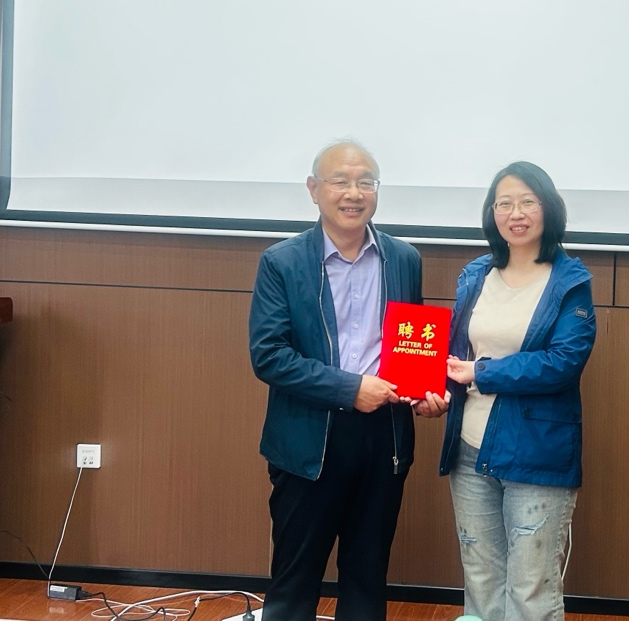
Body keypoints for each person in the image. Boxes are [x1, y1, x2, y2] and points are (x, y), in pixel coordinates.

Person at [249, 140, 422, 621]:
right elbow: (269, 356)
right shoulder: (282, 262)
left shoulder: (403, 258)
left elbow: (411, 348)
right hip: (309, 440)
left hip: (384, 437)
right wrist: (349, 389)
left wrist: (424, 391)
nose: (354, 193)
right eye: (340, 181)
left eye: (366, 182)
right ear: (313, 189)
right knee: (293, 583)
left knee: (367, 578)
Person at [414, 161, 596, 621]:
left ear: (548, 209)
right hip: (470, 450)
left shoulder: (570, 283)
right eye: (504, 203)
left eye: (527, 202)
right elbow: (457, 353)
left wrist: (481, 373)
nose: (516, 213)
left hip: (536, 453)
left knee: (531, 588)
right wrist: (434, 393)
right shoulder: (476, 275)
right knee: (480, 580)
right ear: (491, 213)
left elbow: (561, 363)